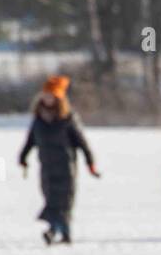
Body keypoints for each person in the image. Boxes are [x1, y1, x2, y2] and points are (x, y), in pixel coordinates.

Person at [18, 76, 100, 244]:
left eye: (52, 96)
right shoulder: (38, 121)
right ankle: (58, 231)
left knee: (64, 202)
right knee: (50, 201)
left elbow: (82, 143)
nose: (48, 99)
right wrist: (23, 158)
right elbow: (30, 141)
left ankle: (59, 231)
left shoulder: (68, 119)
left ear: (59, 98)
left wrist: (90, 163)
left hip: (66, 168)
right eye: (46, 95)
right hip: (47, 168)